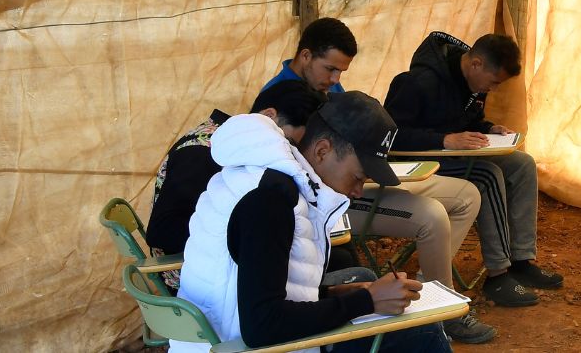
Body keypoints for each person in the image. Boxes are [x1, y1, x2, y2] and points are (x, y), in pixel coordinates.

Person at [262, 17, 495, 343]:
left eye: (341, 72)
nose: (335, 79)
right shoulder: (280, 107)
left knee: (466, 194)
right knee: (431, 216)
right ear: (305, 56)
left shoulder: (325, 89)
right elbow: (263, 321)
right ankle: (439, 308)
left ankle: (434, 288)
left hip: (360, 175)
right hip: (335, 191)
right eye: (330, 69)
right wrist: (363, 299)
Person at [171, 91, 450, 353]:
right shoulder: (271, 201)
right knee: (423, 333)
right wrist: (366, 301)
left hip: (219, 334)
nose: (357, 192)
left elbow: (253, 285)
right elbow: (262, 327)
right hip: (237, 345)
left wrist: (333, 293)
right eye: (358, 176)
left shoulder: (264, 175)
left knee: (361, 278)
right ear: (322, 151)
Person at [384, 31, 563, 308]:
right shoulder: (417, 82)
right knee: (487, 175)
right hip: (420, 163)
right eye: (493, 83)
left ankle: (521, 260)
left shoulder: (471, 83)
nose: (492, 89)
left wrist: (488, 128)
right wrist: (442, 140)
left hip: (453, 155)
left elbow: (468, 119)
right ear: (476, 63)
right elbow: (391, 137)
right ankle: (498, 273)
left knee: (522, 164)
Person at [145, 80, 327, 290]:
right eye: (291, 143)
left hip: (214, 268)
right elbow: (161, 231)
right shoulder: (203, 153)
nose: (291, 153)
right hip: (192, 280)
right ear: (269, 116)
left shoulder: (231, 144)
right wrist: (245, 235)